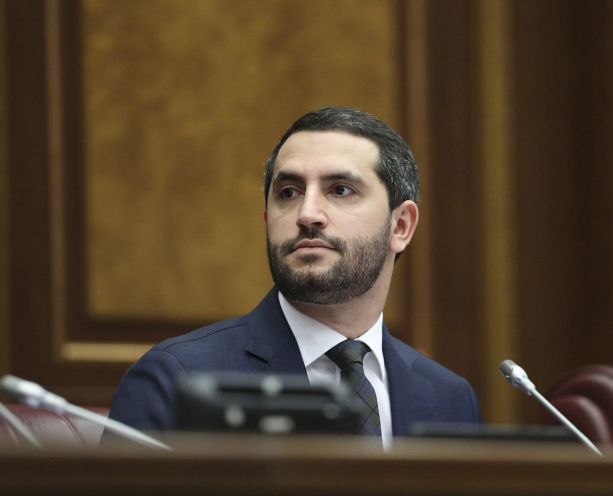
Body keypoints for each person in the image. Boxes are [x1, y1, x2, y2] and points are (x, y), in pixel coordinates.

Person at [105, 107, 483, 447]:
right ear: (267, 220)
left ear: (400, 226)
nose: (307, 214)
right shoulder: (177, 379)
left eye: (340, 190)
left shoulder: (450, 400)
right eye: (288, 192)